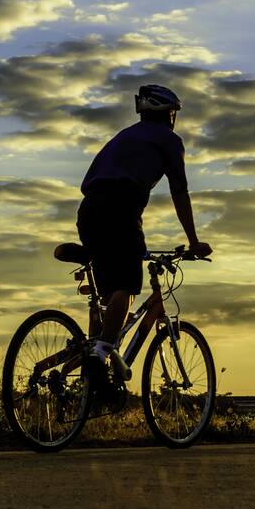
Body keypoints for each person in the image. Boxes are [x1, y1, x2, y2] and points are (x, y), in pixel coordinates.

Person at [76, 84, 211, 402]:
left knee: (110, 298)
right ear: (169, 114)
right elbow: (180, 191)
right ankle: (99, 355)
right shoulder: (169, 139)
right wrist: (193, 241)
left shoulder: (124, 136)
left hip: (88, 212)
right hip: (120, 210)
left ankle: (95, 369)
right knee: (128, 287)